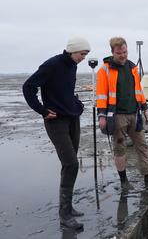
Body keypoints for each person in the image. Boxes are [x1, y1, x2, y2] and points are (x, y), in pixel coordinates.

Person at [22, 37, 91, 230]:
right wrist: (42, 110)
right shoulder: (52, 64)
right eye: (82, 54)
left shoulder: (72, 66)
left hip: (72, 118)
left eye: (86, 55)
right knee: (71, 164)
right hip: (55, 121)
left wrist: (77, 105)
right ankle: (64, 216)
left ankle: (67, 207)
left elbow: (66, 91)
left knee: (69, 164)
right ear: (72, 51)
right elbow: (28, 87)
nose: (84, 58)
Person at [96, 37, 148, 191]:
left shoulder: (133, 68)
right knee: (120, 148)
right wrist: (102, 116)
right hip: (117, 116)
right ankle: (124, 180)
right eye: (119, 53)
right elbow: (101, 95)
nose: (123, 55)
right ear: (112, 52)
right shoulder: (104, 70)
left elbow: (139, 91)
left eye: (125, 52)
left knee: (142, 145)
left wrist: (145, 108)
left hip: (135, 114)